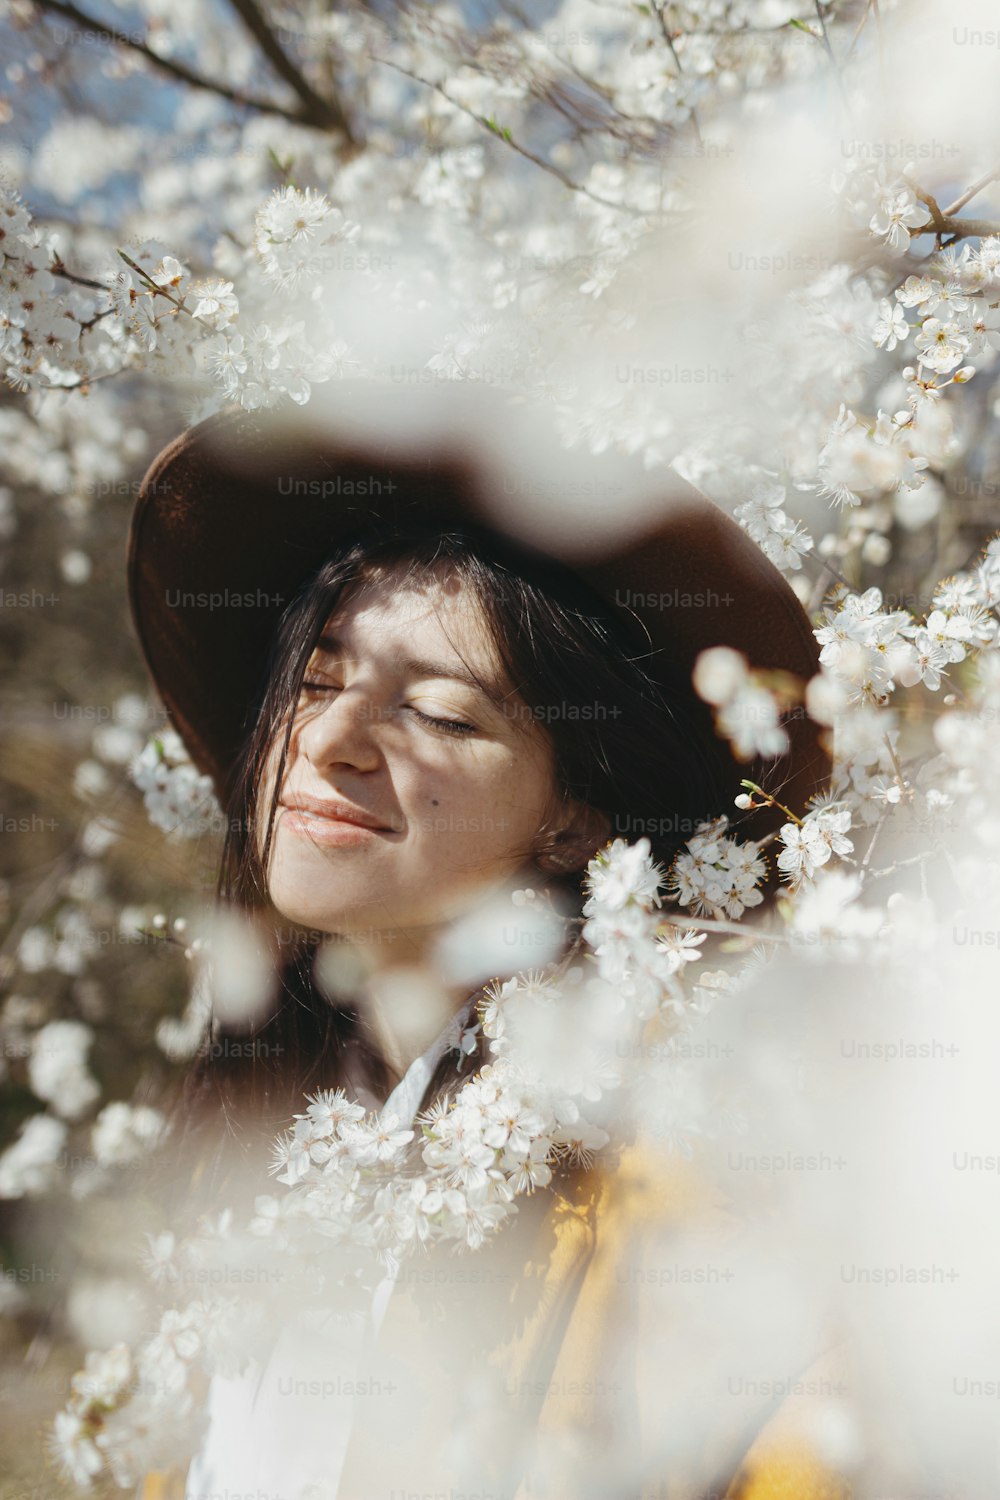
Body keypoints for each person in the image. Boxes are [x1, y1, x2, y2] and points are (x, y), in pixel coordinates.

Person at [123, 390, 849, 1500]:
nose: (326, 741)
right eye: (314, 681)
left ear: (576, 818)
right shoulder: (262, 1127)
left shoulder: (670, 1167)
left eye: (445, 715)